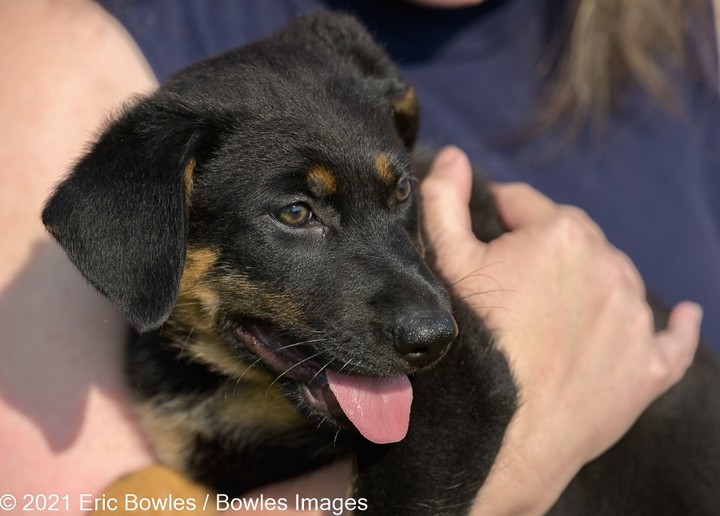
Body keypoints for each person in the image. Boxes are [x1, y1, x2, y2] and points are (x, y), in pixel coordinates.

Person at [0, 0, 712, 514]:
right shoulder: (71, 51)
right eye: (296, 213)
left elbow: (448, 432)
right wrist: (526, 447)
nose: (428, 323)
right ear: (147, 227)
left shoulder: (692, 29)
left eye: (395, 195)